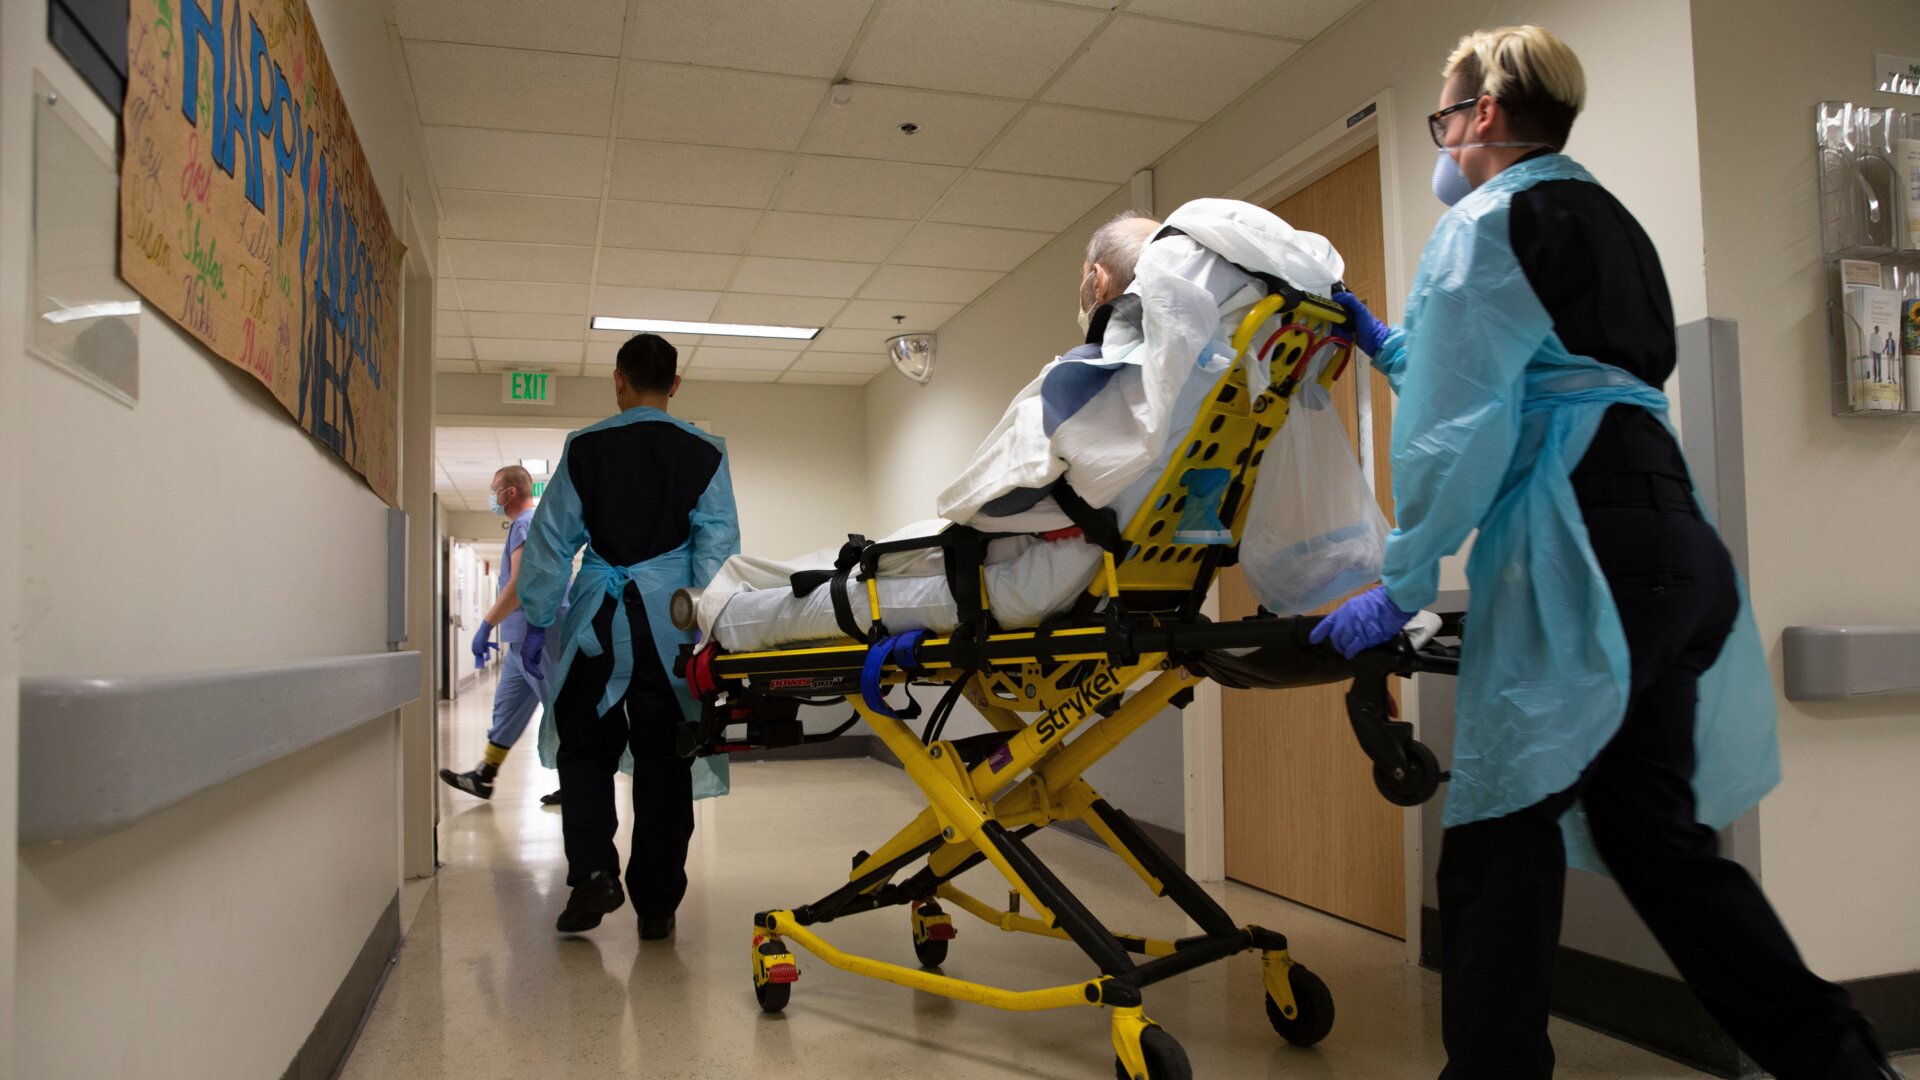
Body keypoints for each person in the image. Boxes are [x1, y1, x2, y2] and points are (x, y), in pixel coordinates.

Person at [1313, 25, 1900, 1080]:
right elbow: (1543, 374)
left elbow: (1456, 430)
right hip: (1675, 545)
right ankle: (1841, 1064)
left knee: (1497, 833)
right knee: (1655, 840)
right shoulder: (1606, 215)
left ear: (1482, 116)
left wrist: (1398, 584)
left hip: (1584, 549)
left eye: (1443, 117)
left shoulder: (1485, 221)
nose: (1443, 140)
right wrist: (1387, 344)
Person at [516, 333, 739, 941]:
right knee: (666, 763)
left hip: (597, 627)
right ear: (674, 385)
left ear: (618, 380)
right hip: (673, 633)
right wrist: (710, 635)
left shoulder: (584, 449)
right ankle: (658, 904)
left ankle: (593, 871)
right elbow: (718, 557)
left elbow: (549, 541)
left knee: (584, 749)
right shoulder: (705, 453)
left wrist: (538, 617)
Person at [439, 466, 560, 803]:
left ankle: (578, 781)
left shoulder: (526, 523)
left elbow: (521, 584)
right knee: (507, 707)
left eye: (494, 488)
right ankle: (484, 775)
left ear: (510, 492)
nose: (491, 495)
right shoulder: (522, 527)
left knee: (559, 707)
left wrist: (486, 624)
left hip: (542, 633)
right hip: (520, 638)